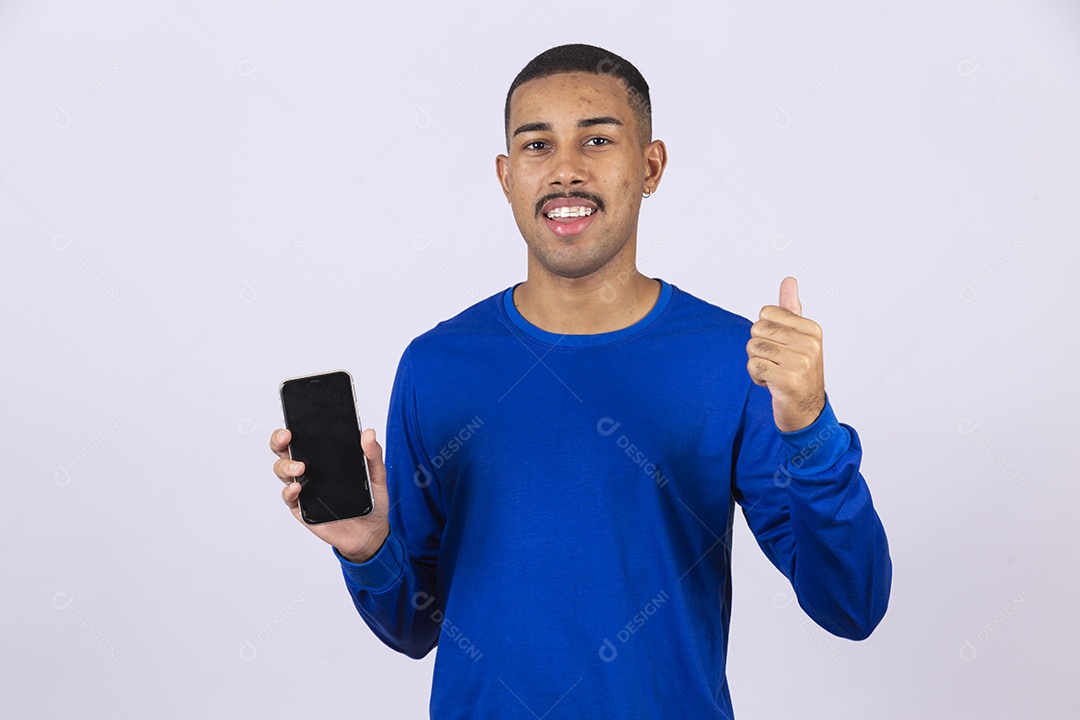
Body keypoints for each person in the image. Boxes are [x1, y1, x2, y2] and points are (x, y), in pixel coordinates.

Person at [270, 43, 891, 719]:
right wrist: (368, 550)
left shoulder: (732, 362)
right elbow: (414, 628)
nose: (565, 170)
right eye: (537, 146)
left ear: (650, 166)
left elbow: (850, 605)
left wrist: (812, 430)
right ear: (507, 177)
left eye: (597, 139)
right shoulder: (436, 366)